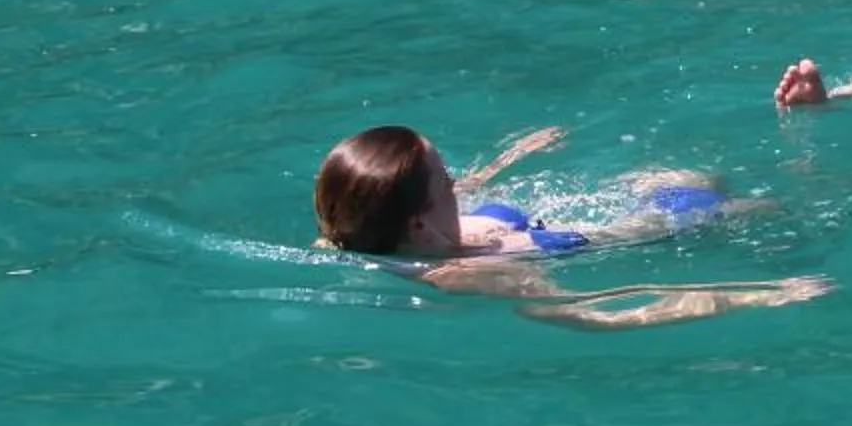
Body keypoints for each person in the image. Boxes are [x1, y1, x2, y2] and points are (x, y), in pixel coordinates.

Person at [311, 124, 824, 329]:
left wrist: (509, 157)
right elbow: (593, 314)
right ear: (420, 226)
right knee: (752, 202)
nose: (455, 182)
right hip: (664, 223)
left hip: (539, 219)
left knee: (689, 173)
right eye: (445, 179)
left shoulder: (368, 224)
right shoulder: (471, 274)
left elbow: (454, 194)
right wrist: (753, 296)